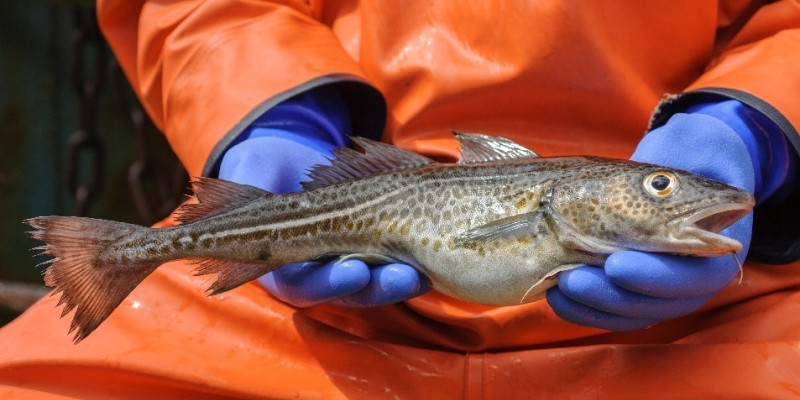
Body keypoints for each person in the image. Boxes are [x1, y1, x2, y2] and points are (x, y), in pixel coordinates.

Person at [1, 1, 799, 398]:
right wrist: (273, 116)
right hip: (298, 316)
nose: (673, 196)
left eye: (660, 189)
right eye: (659, 188)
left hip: (722, 318)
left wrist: (751, 128)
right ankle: (116, 256)